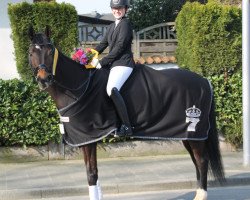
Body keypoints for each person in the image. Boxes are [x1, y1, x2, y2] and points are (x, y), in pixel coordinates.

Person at [93, 0, 135, 137]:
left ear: (125, 9)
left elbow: (120, 47)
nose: (117, 10)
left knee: (111, 89)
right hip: (114, 64)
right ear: (111, 9)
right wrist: (85, 56)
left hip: (124, 63)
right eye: (114, 8)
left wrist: (103, 62)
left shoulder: (126, 24)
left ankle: (127, 127)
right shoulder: (111, 26)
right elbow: (102, 44)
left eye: (120, 8)